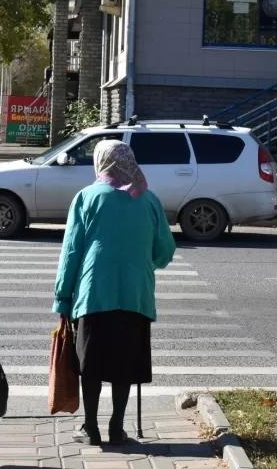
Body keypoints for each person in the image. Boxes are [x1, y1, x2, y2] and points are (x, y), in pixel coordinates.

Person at [53, 140, 176, 446]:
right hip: (135, 295)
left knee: (90, 364)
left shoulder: (86, 198)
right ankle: (116, 427)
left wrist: (62, 297)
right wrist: (143, 262)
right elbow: (165, 251)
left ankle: (90, 427)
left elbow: (71, 252)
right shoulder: (148, 200)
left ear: (101, 163)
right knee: (125, 364)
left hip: (94, 294)